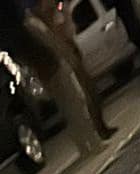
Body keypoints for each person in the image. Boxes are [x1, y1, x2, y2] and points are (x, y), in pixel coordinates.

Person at [20, 0, 115, 157]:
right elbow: (54, 44)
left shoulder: (34, 24)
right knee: (75, 105)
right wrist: (66, 58)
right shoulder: (33, 24)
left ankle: (88, 144)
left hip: (57, 65)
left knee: (74, 106)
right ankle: (91, 143)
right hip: (56, 67)